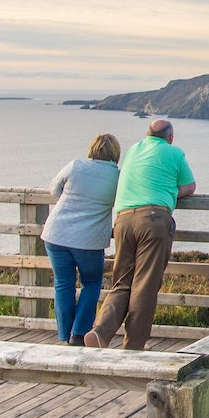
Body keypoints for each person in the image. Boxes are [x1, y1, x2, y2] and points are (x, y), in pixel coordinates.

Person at [86, 118, 195, 351]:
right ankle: (134, 345)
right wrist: (170, 190)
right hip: (153, 220)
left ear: (147, 135)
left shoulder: (133, 150)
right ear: (170, 137)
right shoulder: (174, 153)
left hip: (124, 220)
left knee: (122, 282)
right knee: (145, 285)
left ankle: (100, 332)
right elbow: (189, 186)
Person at [41, 133, 120, 345]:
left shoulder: (76, 166)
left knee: (63, 284)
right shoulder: (117, 177)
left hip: (57, 233)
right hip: (89, 240)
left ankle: (64, 335)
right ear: (115, 154)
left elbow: (54, 189)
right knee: (92, 283)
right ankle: (79, 333)